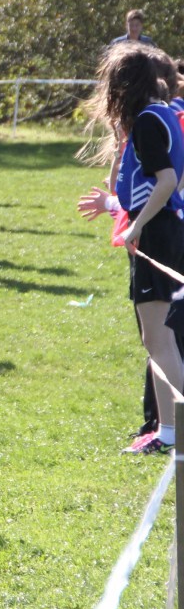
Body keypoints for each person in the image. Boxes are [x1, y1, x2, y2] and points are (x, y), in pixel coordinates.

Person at [86, 42, 184, 454]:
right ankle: (166, 434)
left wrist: (135, 227)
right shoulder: (159, 114)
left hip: (157, 234)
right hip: (164, 232)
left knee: (160, 340)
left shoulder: (147, 120)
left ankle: (174, 432)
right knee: (156, 340)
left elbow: (166, 182)